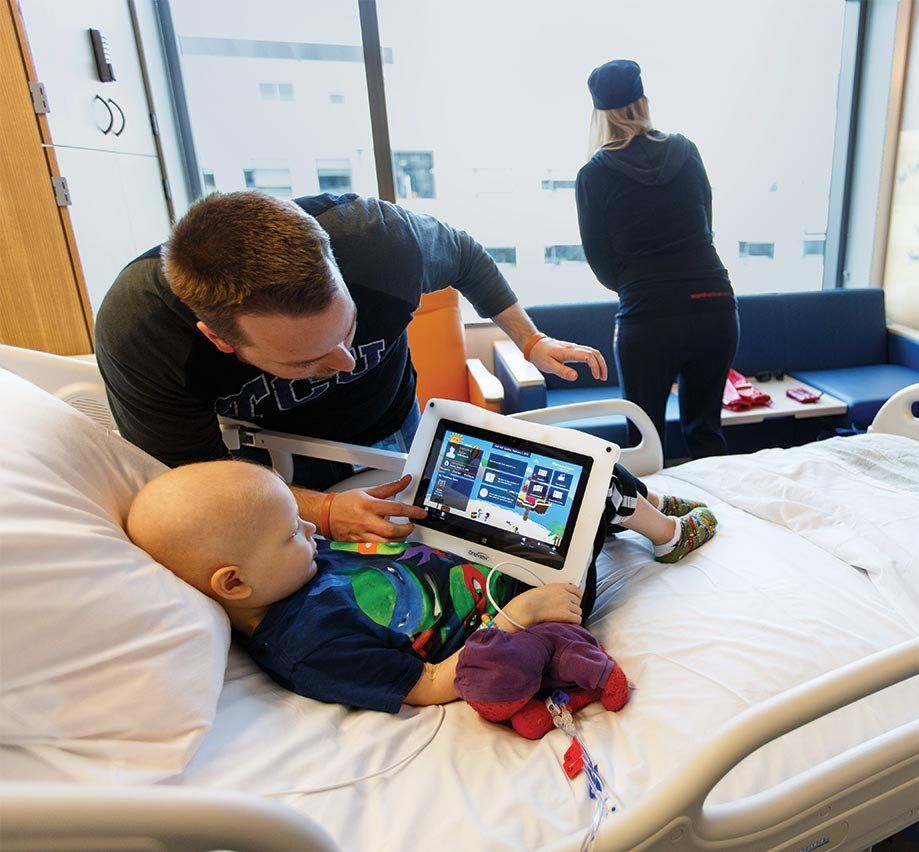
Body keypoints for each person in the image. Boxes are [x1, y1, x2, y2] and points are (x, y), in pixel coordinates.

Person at [96, 191, 610, 542]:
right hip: (272, 459)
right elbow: (194, 478)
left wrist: (531, 339)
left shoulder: (380, 243)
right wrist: (320, 511)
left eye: (348, 330)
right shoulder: (144, 335)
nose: (344, 363)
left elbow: (467, 258)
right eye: (307, 359)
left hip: (393, 419)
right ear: (219, 339)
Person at [126, 459, 717, 712]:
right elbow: (432, 684)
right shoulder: (310, 648)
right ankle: (663, 529)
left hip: (475, 558)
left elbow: (376, 555)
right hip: (526, 603)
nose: (311, 527)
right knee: (595, 485)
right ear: (233, 583)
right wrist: (526, 612)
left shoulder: (285, 572)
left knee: (562, 469)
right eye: (291, 531)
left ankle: (645, 507)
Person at [575, 59, 738, 458]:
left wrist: (640, 283)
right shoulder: (686, 150)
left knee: (645, 446)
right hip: (713, 304)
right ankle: (723, 521)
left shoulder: (593, 174)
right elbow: (706, 226)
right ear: (643, 102)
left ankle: (656, 522)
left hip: (648, 316)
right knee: (706, 433)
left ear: (600, 115)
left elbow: (601, 263)